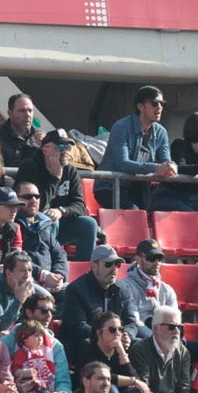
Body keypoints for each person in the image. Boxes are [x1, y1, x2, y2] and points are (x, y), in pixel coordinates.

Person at [15, 127, 100, 262]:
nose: (65, 151)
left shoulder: (71, 171)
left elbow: (79, 205)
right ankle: (48, 265)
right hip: (32, 225)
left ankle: (82, 271)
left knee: (89, 224)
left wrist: (61, 211)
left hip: (59, 223)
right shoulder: (30, 167)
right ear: (45, 149)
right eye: (61, 147)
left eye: (68, 147)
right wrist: (55, 178)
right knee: (48, 220)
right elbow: (34, 205)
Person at [100, 85, 175, 210]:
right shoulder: (121, 127)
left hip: (140, 188)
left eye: (162, 103)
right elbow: (122, 163)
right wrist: (156, 168)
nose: (160, 107)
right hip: (110, 187)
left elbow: (165, 161)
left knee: (167, 211)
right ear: (140, 106)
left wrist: (171, 167)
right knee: (135, 215)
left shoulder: (161, 132)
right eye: (155, 103)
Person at [153, 111, 198, 216]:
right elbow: (180, 168)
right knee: (194, 219)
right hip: (169, 195)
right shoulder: (179, 145)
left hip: (194, 197)